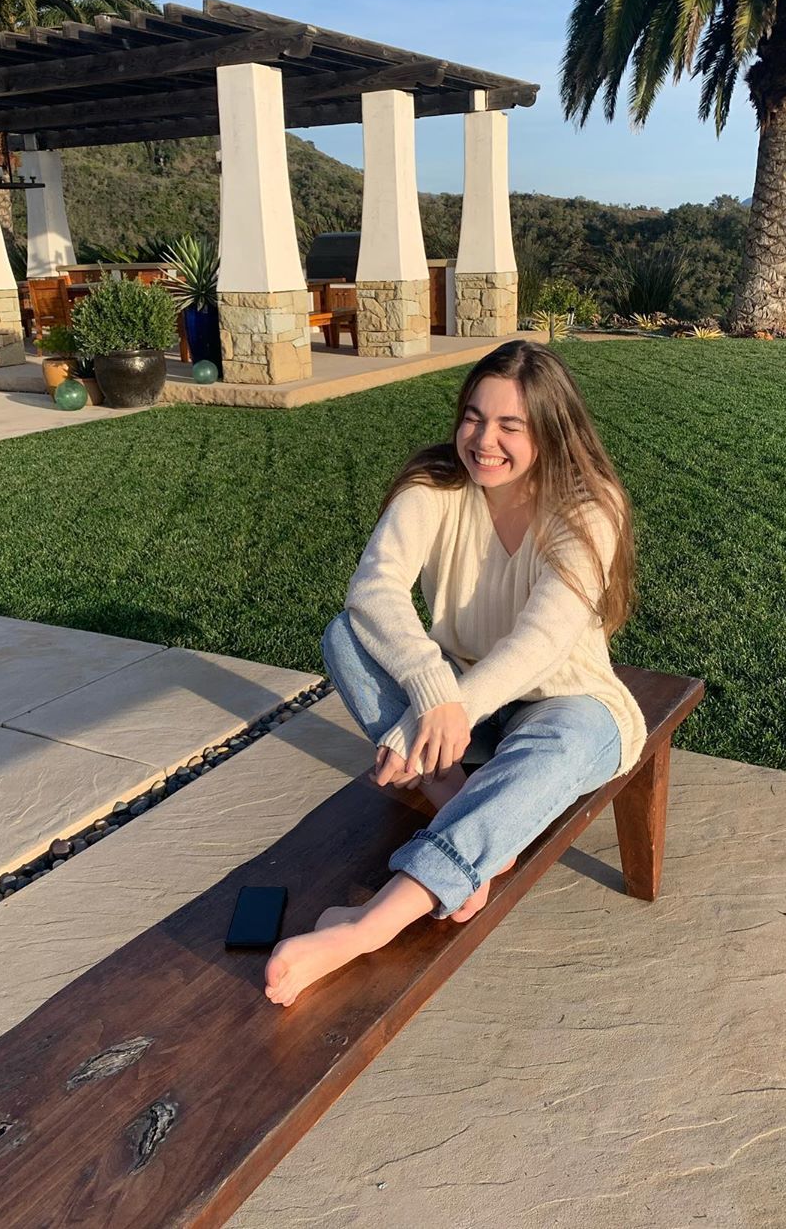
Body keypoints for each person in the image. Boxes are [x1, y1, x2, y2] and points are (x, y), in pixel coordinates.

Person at [265, 339, 646, 1007]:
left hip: (566, 701)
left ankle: (369, 925)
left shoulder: (588, 506)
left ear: (551, 431)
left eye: (510, 426)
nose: (483, 440)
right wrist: (433, 696)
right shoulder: (435, 485)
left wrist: (444, 713)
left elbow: (542, 641)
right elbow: (373, 591)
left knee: (564, 746)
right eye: (473, 417)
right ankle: (460, 805)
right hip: (458, 695)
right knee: (345, 636)